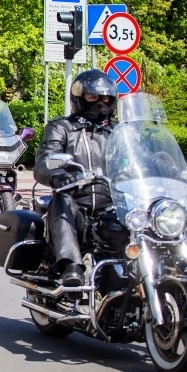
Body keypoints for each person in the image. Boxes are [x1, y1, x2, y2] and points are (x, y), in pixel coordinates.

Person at [33, 69, 118, 287]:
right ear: (79, 99)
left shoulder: (119, 131)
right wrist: (57, 175)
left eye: (106, 98)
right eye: (93, 97)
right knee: (62, 201)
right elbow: (45, 160)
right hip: (77, 207)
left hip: (112, 207)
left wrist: (179, 171)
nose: (100, 103)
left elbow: (144, 157)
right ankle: (71, 266)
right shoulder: (62, 128)